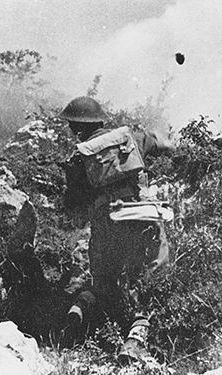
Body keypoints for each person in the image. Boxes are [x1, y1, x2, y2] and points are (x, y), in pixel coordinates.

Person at [60, 96, 172, 363]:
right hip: (141, 217)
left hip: (106, 223)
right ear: (100, 120)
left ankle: (81, 309)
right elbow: (163, 143)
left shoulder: (78, 159)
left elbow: (73, 208)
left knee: (104, 280)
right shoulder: (129, 137)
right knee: (152, 276)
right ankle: (135, 340)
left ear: (76, 127)